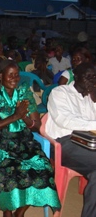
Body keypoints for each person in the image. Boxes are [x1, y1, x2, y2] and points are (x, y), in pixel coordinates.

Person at [0, 60, 60, 217]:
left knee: (44, 167)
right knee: (9, 171)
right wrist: (15, 116)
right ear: (1, 76)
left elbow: (37, 125)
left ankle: (19, 213)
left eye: (17, 75)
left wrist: (25, 119)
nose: (15, 78)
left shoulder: (24, 93)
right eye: (10, 75)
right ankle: (7, 212)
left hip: (23, 141)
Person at [46, 62, 96, 217]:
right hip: (65, 143)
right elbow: (65, 121)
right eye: (88, 77)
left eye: (94, 77)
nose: (92, 80)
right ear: (77, 76)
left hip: (88, 141)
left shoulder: (91, 96)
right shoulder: (60, 92)